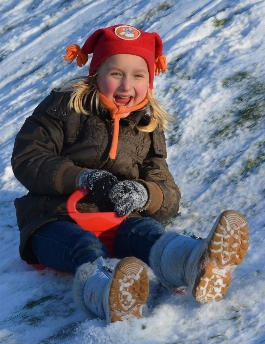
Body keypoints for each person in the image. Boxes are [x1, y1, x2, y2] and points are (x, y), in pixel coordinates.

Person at [11, 24, 249, 324]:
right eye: (115, 74)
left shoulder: (146, 125)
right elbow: (28, 157)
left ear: (149, 80)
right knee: (83, 247)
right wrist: (81, 179)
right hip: (54, 218)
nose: (126, 86)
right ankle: (105, 295)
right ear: (96, 72)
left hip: (118, 218)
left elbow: (166, 191)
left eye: (138, 75)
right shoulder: (64, 107)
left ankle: (194, 263)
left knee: (148, 234)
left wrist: (145, 194)